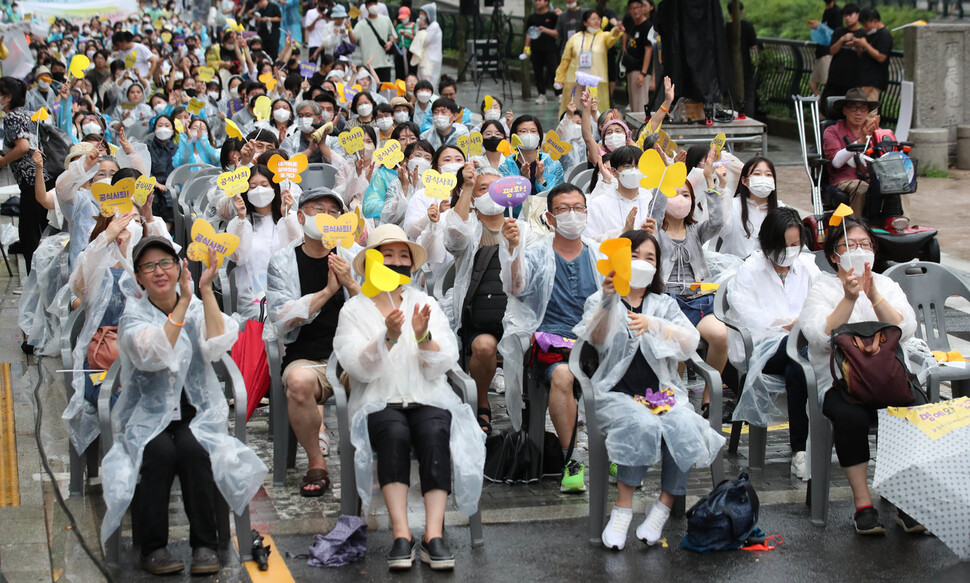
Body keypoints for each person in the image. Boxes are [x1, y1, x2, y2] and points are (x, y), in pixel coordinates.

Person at [101, 236, 266, 575]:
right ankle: (154, 548)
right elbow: (154, 354)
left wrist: (205, 293)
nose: (159, 271)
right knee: (159, 453)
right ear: (139, 276)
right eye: (149, 266)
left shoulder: (194, 305)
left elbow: (218, 344)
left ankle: (205, 544)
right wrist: (183, 304)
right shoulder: (134, 316)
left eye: (165, 263)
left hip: (195, 413)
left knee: (194, 451)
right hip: (147, 416)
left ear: (179, 268)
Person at [333, 224, 485, 571]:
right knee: (394, 434)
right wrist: (386, 337)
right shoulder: (354, 310)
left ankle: (434, 535)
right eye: (388, 256)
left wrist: (422, 336)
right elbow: (358, 367)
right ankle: (402, 534)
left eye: (404, 256)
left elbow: (442, 361)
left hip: (427, 394)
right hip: (379, 398)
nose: (397, 262)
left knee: (434, 432)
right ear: (372, 261)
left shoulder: (425, 302)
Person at [575, 229, 725, 549]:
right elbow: (595, 338)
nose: (641, 262)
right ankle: (623, 510)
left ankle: (662, 508)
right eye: (633, 256)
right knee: (640, 423)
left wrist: (655, 326)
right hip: (616, 396)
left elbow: (690, 341)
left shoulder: (664, 304)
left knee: (685, 424)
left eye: (650, 258)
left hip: (660, 395)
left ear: (658, 267)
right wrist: (605, 300)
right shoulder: (603, 299)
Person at [799, 217, 928, 535]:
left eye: (865, 244)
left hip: (888, 379)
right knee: (851, 417)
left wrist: (873, 295)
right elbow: (818, 335)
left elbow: (906, 327)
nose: (858, 251)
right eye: (849, 246)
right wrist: (849, 297)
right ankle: (863, 505)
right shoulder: (822, 288)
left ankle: (904, 503)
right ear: (833, 255)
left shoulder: (886, 285)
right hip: (840, 382)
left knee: (910, 413)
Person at [499, 183, 601, 493]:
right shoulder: (538, 254)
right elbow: (516, 287)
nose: (572, 215)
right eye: (563, 209)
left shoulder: (599, 253)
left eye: (578, 208)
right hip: (550, 344)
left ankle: (616, 450)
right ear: (549, 218)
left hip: (595, 342)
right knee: (562, 375)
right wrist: (513, 250)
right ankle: (571, 459)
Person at [265, 188, 361, 496]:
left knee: (386, 379)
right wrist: (326, 293)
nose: (326, 216)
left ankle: (373, 461)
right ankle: (316, 462)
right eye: (318, 208)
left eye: (333, 211)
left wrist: (351, 284)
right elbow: (281, 316)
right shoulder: (282, 261)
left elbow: (377, 310)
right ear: (301, 215)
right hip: (307, 356)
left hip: (352, 355)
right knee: (298, 382)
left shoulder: (352, 256)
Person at [444, 163, 539, 432]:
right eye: (482, 189)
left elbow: (530, 278)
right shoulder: (469, 228)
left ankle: (528, 403)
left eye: (494, 188)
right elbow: (453, 239)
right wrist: (467, 187)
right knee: (484, 347)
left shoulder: (523, 229)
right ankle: (482, 403)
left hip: (518, 316)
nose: (489, 193)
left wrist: (514, 246)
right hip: (479, 317)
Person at [729, 208, 820, 480]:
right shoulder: (750, 270)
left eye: (795, 245)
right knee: (797, 355)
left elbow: (822, 300)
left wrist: (802, 325)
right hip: (764, 347)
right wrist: (787, 323)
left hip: (800, 347)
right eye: (784, 245)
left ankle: (799, 451)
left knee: (797, 365)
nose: (790, 251)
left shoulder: (806, 267)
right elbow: (747, 314)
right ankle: (803, 448)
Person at [656, 150, 728, 416]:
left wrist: (710, 181)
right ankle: (675, 400)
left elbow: (718, 220)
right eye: (674, 194)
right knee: (678, 345)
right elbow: (654, 207)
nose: (680, 199)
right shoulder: (656, 232)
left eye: (685, 195)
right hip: (669, 301)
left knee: (721, 335)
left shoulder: (696, 231)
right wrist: (668, 173)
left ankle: (710, 397)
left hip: (699, 300)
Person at [0, 76, 50, 272]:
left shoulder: (12, 117)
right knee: (42, 232)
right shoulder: (30, 114)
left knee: (29, 235)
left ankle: (34, 281)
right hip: (43, 180)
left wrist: (3, 161)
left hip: (31, 182)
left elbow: (22, 147)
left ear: (8, 97)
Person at [586, 146, 666, 241]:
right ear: (614, 172)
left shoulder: (651, 201)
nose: (634, 171)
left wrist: (654, 235)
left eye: (638, 166)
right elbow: (590, 240)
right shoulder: (599, 204)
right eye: (627, 166)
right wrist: (623, 232)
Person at [823, 88, 880, 217]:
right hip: (845, 180)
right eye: (853, 108)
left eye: (863, 108)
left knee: (897, 186)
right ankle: (855, 227)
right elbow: (836, 162)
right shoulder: (832, 131)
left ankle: (899, 225)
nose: (858, 113)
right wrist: (861, 139)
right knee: (861, 188)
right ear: (844, 110)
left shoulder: (874, 130)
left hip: (871, 178)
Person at [554, 10, 623, 117]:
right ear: (585, 22)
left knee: (596, 110)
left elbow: (612, 37)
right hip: (575, 79)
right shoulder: (575, 38)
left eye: (598, 19)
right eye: (593, 19)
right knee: (573, 108)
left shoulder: (603, 36)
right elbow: (565, 60)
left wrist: (617, 30)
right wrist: (559, 78)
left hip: (595, 80)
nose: (596, 21)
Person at [718, 156, 780, 259]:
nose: (763, 179)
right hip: (733, 271)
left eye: (768, 174)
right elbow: (720, 226)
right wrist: (721, 187)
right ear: (744, 180)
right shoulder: (732, 206)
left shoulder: (781, 210)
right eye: (757, 174)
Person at [500, 115, 564, 202]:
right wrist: (524, 180)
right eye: (523, 131)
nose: (529, 135)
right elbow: (510, 204)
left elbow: (559, 198)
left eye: (533, 131)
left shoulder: (553, 164)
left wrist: (540, 178)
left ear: (539, 135)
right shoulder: (506, 167)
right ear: (514, 136)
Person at [821, 3, 865, 109]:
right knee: (827, 108)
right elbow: (832, 51)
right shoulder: (839, 32)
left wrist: (858, 45)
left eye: (850, 15)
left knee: (849, 109)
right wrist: (842, 40)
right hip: (835, 78)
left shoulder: (863, 34)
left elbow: (864, 57)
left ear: (858, 15)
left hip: (853, 81)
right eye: (845, 16)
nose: (847, 18)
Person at [725, 2, 759, 116]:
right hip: (747, 67)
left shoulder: (724, 28)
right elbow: (754, 47)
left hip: (729, 68)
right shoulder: (748, 26)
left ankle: (733, 117)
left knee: (732, 97)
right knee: (749, 96)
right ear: (741, 11)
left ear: (729, 12)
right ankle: (748, 118)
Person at [350, 0, 399, 82]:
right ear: (366, 7)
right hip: (368, 65)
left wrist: (390, 42)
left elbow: (394, 37)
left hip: (385, 64)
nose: (373, 5)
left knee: (384, 90)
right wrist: (349, 29)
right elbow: (353, 40)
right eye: (370, 3)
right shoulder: (361, 24)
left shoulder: (386, 20)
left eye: (375, 3)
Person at [524, 0, 559, 105]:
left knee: (553, 71)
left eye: (540, 0)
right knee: (537, 72)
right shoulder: (532, 18)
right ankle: (541, 94)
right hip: (536, 49)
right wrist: (526, 47)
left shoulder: (552, 16)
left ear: (546, 2)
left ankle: (559, 93)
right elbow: (528, 33)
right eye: (536, 1)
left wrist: (545, 30)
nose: (537, 2)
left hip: (550, 49)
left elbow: (557, 33)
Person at [622, 0, 653, 115]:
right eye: (632, 8)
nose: (635, 11)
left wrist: (643, 73)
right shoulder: (632, 25)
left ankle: (643, 131)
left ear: (643, 8)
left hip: (640, 70)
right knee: (633, 105)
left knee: (640, 106)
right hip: (630, 68)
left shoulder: (647, 26)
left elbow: (648, 49)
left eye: (638, 7)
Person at [856, 7, 892, 103]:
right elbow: (864, 55)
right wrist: (859, 46)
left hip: (874, 81)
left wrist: (865, 45)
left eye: (866, 24)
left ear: (875, 21)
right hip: (865, 78)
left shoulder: (884, 35)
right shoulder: (870, 34)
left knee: (870, 110)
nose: (865, 28)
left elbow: (881, 57)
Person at [808, 0, 843, 96]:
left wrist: (820, 26)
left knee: (827, 84)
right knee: (812, 84)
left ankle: (827, 108)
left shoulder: (836, 12)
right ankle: (821, 106)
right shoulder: (827, 11)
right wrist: (818, 27)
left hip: (827, 53)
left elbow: (835, 33)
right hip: (820, 52)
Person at [412, 4, 442, 88]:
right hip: (423, 58)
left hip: (430, 58)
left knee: (427, 81)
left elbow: (425, 41)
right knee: (421, 80)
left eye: (423, 14)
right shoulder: (427, 26)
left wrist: (421, 28)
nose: (421, 16)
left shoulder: (434, 26)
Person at [396, 7, 417, 79]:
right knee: (400, 72)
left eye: (404, 17)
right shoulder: (399, 27)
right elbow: (397, 39)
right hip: (400, 51)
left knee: (411, 72)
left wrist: (409, 36)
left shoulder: (415, 26)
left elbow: (418, 40)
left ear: (409, 16)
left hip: (411, 51)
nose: (403, 20)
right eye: (401, 18)